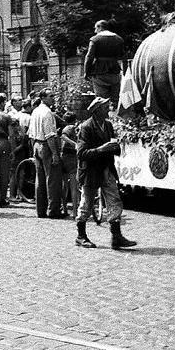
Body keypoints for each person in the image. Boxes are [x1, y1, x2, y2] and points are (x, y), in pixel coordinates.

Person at [75, 97, 136, 249]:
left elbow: (113, 146)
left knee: (114, 201)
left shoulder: (108, 125)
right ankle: (81, 236)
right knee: (87, 203)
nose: (109, 108)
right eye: (105, 107)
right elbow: (81, 153)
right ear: (97, 111)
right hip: (91, 172)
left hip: (106, 169)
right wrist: (102, 149)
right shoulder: (86, 127)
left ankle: (116, 236)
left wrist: (115, 147)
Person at [28, 88, 63, 218]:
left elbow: (31, 134)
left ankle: (40, 210)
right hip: (46, 145)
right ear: (43, 98)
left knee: (40, 179)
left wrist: (34, 150)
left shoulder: (35, 111)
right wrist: (54, 153)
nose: (53, 98)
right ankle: (54, 210)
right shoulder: (48, 113)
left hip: (37, 144)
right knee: (52, 179)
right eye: (50, 96)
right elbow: (49, 135)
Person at [83, 19, 125, 106]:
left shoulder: (95, 40)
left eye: (95, 28)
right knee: (115, 99)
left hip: (99, 72)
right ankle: (115, 118)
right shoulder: (119, 39)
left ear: (100, 28)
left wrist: (86, 72)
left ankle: (103, 118)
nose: (95, 31)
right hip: (115, 72)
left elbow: (89, 57)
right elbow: (121, 55)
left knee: (101, 101)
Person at [8, 95, 32, 201]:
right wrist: (19, 147)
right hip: (18, 153)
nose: (17, 126)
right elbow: (19, 142)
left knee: (18, 173)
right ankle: (14, 194)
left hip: (19, 152)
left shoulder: (17, 118)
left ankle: (18, 193)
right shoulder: (14, 134)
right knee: (17, 173)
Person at [60, 114, 80, 219]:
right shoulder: (70, 127)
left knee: (64, 185)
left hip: (63, 156)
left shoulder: (66, 127)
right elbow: (63, 136)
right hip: (71, 157)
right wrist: (75, 144)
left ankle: (64, 208)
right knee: (74, 186)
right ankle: (75, 211)